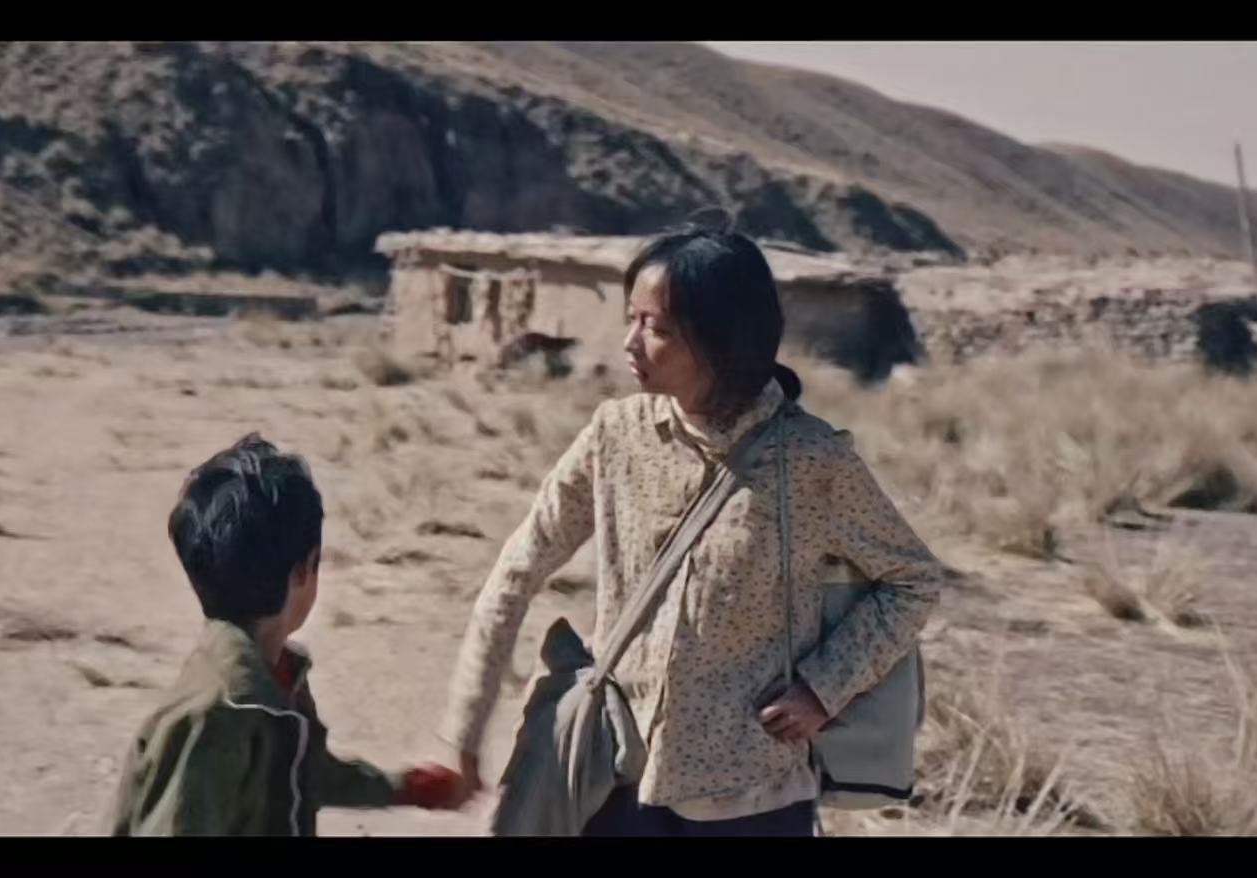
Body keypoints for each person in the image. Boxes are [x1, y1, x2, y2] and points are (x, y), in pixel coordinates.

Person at [439, 226, 949, 837]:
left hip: (750, 797)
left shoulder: (810, 460)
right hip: (617, 779)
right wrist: (465, 727)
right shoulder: (614, 435)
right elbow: (517, 571)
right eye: (630, 319)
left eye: (655, 327)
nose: (630, 341)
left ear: (723, 339)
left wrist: (824, 689)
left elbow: (910, 581)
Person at [110, 433, 468, 836]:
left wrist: (401, 788)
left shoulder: (273, 678)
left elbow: (301, 776)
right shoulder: (220, 714)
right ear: (303, 570)